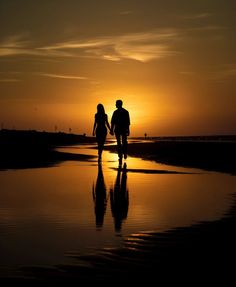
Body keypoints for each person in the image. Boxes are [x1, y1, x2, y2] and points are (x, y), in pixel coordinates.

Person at [110, 163, 129, 233]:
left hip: (119, 195)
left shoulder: (122, 216)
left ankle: (122, 168)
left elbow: (127, 205)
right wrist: (111, 193)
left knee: (121, 180)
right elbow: (127, 204)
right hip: (119, 194)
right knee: (120, 180)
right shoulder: (119, 215)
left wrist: (127, 195)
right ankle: (122, 168)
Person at [92, 163, 107, 229]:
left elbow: (95, 201)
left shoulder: (99, 213)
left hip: (100, 194)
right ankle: (100, 168)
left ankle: (100, 168)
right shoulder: (100, 213)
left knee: (100, 178)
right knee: (100, 178)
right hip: (99, 193)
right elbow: (95, 201)